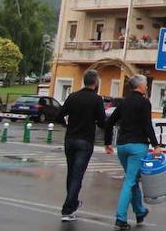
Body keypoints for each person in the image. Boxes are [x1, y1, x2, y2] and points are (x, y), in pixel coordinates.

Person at [103, 74, 162, 230]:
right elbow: (147, 125)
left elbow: (109, 122)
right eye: (146, 84)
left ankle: (140, 211)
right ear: (140, 86)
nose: (147, 86)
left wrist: (107, 142)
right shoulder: (144, 103)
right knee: (129, 181)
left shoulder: (123, 102)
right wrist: (155, 145)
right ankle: (120, 218)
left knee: (133, 179)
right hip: (138, 146)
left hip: (122, 146)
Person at [59, 68, 106, 222]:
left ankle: (72, 204)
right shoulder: (97, 100)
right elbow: (101, 121)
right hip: (85, 141)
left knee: (71, 173)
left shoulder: (73, 96)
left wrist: (67, 125)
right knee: (77, 175)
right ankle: (68, 208)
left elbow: (59, 114)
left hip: (70, 139)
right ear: (96, 82)